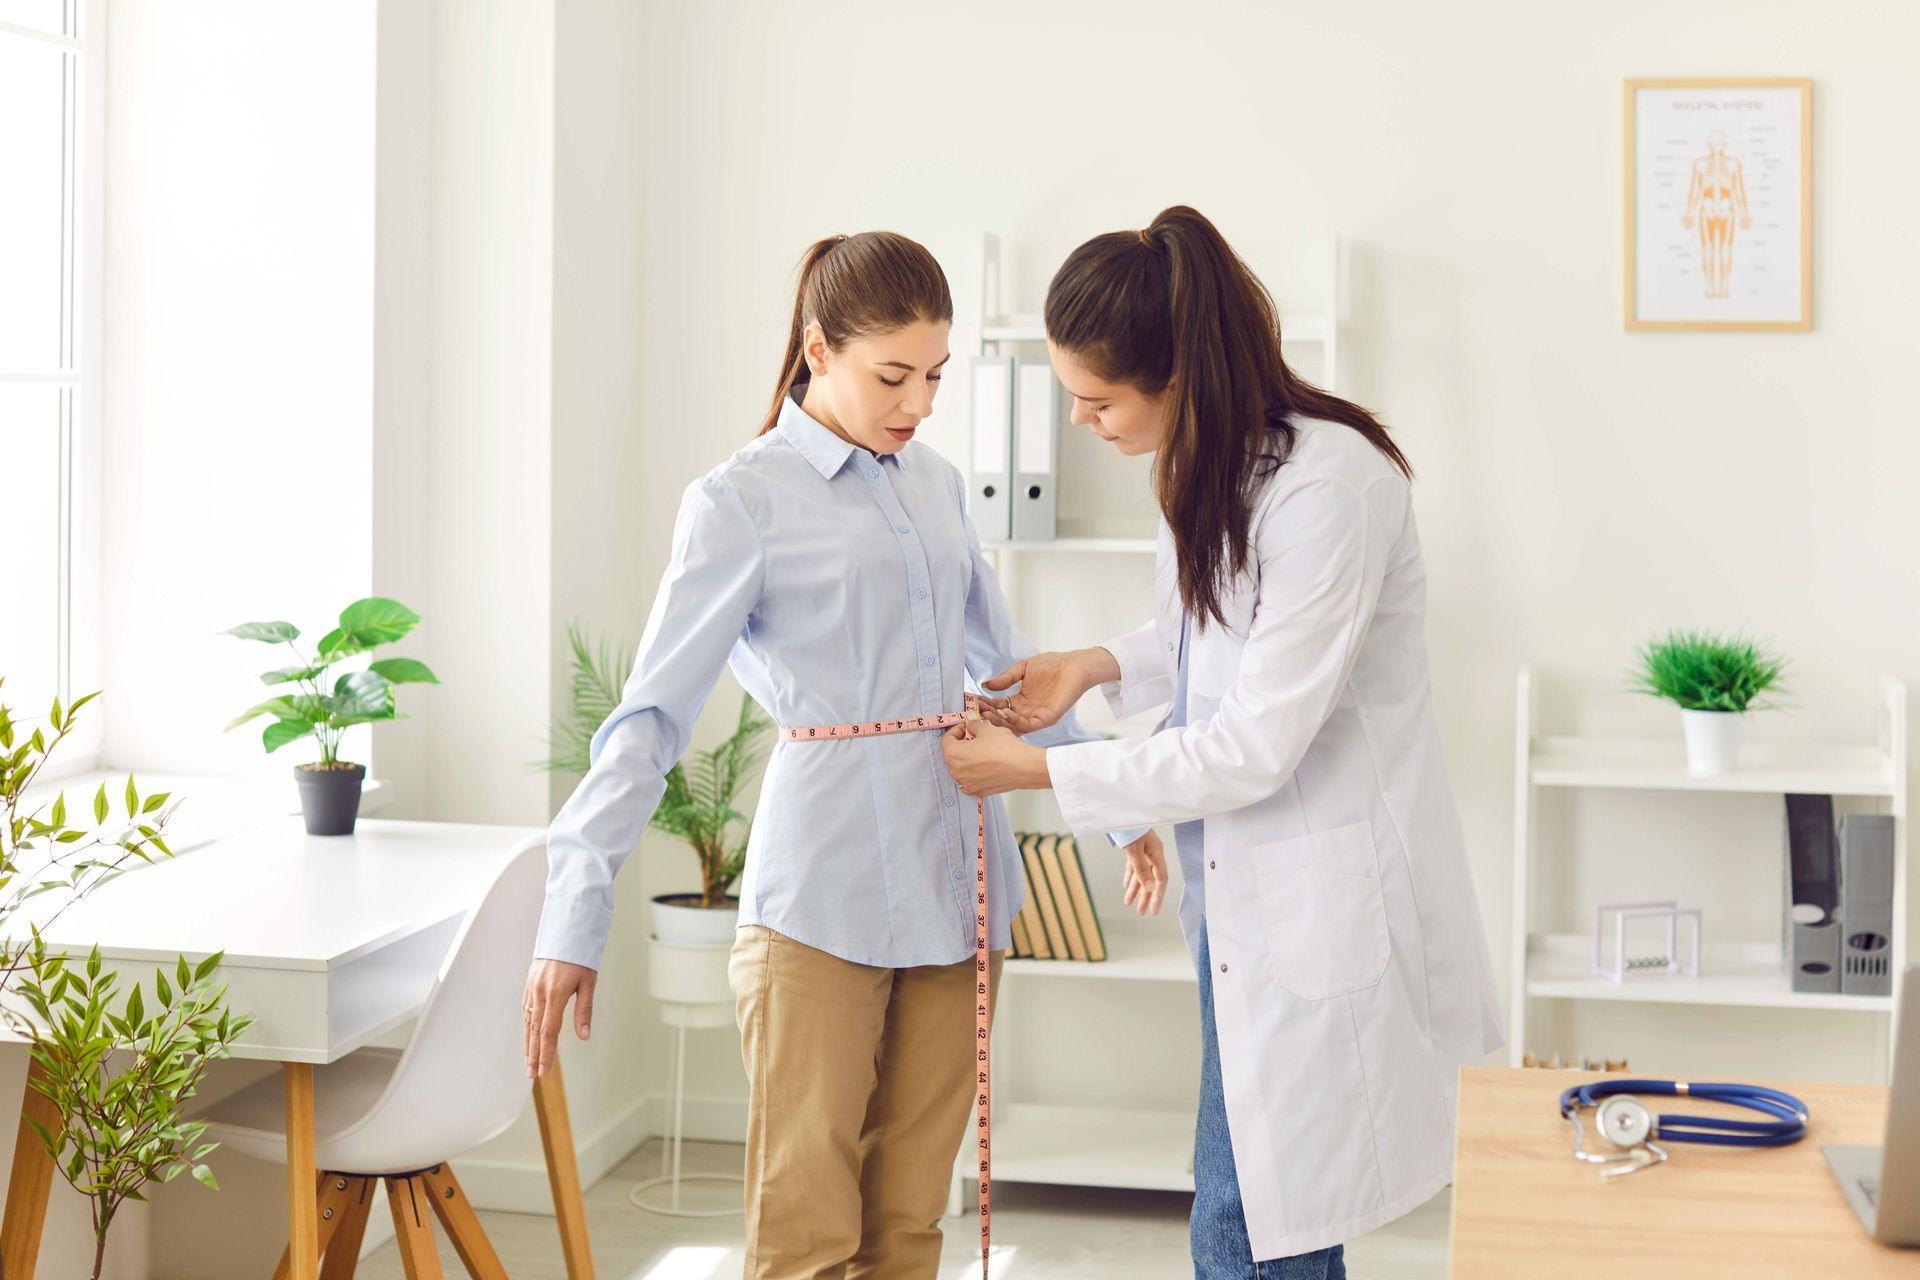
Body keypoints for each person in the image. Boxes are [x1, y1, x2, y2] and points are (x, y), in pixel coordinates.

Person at [521, 230, 1163, 1279]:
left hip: (957, 879)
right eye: (893, 375)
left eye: (936, 377)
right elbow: (649, 718)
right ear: (819, 351)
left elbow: (1008, 676)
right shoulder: (739, 501)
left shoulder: (939, 485)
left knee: (910, 1224)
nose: (917, 403)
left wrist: (1120, 804)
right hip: (817, 893)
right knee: (806, 1232)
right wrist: (574, 907)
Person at [944, 206, 1504, 1279]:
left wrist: (1042, 767)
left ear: (1176, 376)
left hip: (1314, 902)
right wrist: (1094, 666)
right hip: (1237, 899)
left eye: (1097, 399)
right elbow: (1205, 635)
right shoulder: (1207, 463)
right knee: (1242, 1207)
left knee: (1258, 1222)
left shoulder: (1329, 488)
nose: (1078, 422)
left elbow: (1254, 739)